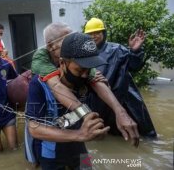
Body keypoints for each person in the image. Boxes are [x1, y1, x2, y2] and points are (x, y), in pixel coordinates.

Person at [31, 22, 139, 146]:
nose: (74, 43)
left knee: (83, 161)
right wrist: (86, 115)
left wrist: (119, 112)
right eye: (67, 40)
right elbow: (56, 87)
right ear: (61, 62)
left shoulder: (81, 66)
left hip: (74, 138)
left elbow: (97, 82)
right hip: (50, 147)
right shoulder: (39, 76)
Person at [26, 33, 113, 169]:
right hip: (51, 152)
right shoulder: (39, 84)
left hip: (78, 146)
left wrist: (96, 129)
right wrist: (78, 134)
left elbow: (81, 115)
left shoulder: (88, 82)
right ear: (62, 63)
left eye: (88, 69)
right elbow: (34, 128)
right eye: (79, 69)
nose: (85, 74)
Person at [84, 17, 157, 137]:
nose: (93, 36)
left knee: (134, 132)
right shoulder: (84, 54)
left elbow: (134, 66)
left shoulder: (117, 50)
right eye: (90, 34)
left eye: (97, 32)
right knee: (102, 133)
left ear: (104, 33)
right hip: (97, 101)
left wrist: (135, 51)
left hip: (122, 99)